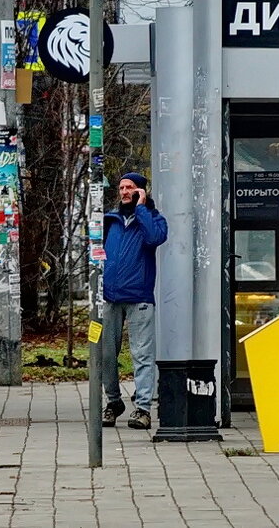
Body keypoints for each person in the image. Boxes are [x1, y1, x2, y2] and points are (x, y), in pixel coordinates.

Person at [101, 171, 168, 430]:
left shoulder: (153, 219)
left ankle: (142, 409)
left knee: (141, 355)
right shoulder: (111, 220)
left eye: (130, 188)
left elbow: (154, 239)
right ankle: (113, 402)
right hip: (110, 297)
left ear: (141, 191)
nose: (124, 192)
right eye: (121, 188)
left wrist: (141, 209)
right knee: (107, 354)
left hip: (139, 297)